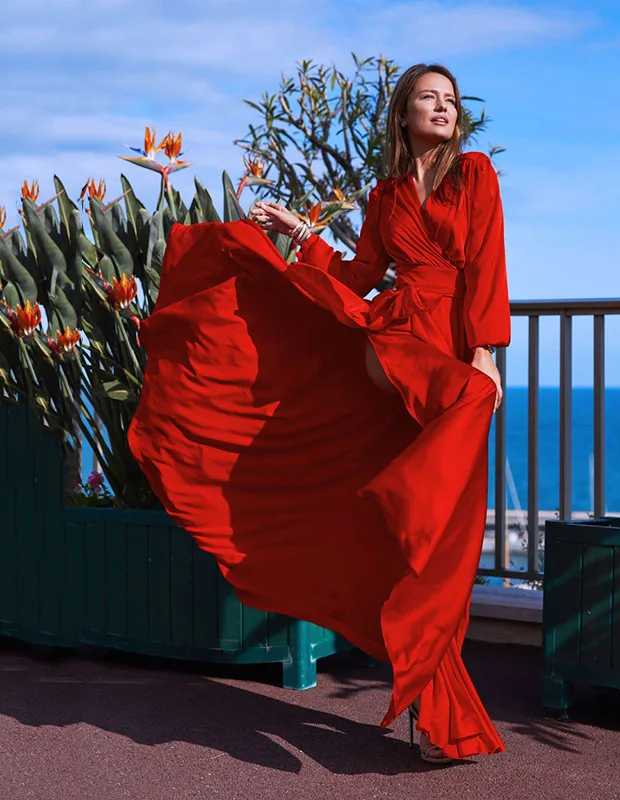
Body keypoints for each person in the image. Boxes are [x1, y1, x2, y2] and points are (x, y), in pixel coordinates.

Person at [128, 62, 510, 765]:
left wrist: (486, 353)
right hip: (397, 343)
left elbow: (487, 263)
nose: (444, 108)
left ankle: (434, 706)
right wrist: (300, 231)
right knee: (429, 524)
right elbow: (358, 277)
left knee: (437, 538)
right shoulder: (386, 195)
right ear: (403, 114)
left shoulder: (473, 174)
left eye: (451, 100)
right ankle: (398, 516)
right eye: (429, 98)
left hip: (452, 357)